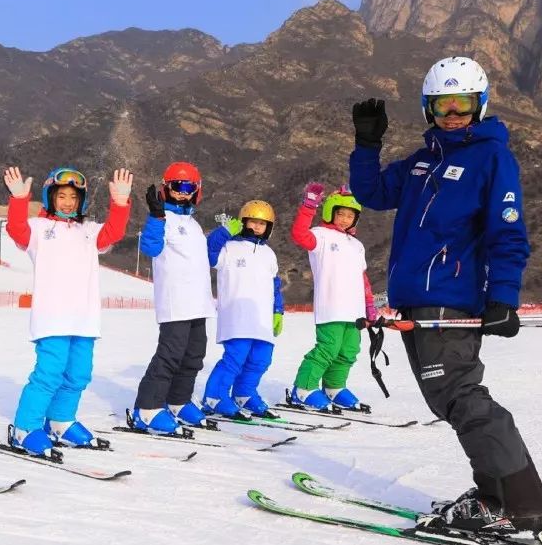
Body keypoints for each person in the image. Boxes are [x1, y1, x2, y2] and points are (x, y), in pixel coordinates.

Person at [348, 55, 542, 541]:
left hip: (450, 300)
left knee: (461, 397)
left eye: (463, 104)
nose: (453, 113)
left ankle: (514, 504)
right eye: (442, 104)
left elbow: (508, 231)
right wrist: (366, 144)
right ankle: (500, 497)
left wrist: (504, 295)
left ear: (480, 105)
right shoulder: (421, 161)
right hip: (416, 302)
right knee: (453, 400)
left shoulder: (490, 157)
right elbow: (371, 193)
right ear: (427, 108)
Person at [4, 166, 133, 455]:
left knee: (78, 374)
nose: (67, 202)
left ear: (82, 202)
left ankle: (61, 421)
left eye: (73, 198)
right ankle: (26, 428)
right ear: (50, 197)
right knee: (49, 374)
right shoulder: (38, 229)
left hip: (84, 319)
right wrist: (19, 199)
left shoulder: (88, 231)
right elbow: (16, 229)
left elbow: (114, 232)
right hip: (52, 319)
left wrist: (120, 203)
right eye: (61, 196)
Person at [130, 162, 214, 433]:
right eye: (177, 187)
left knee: (194, 356)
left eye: (188, 187)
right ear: (167, 189)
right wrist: (155, 216)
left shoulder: (194, 225)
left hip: (198, 302)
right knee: (170, 355)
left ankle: (178, 400)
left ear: (197, 191)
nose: (182, 193)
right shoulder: (162, 219)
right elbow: (151, 248)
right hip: (176, 301)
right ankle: (148, 408)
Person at [286, 185, 378, 412]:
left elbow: (362, 277)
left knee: (349, 350)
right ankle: (303, 389)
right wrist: (309, 207)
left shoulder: (357, 245)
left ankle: (334, 387)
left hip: (354, 309)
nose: (345, 219)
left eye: (350, 216)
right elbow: (300, 235)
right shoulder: (321, 235)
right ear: (330, 212)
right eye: (340, 214)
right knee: (328, 348)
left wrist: (369, 305)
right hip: (332, 305)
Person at [199, 200, 284, 419]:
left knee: (262, 358)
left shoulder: (269, 254)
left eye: (262, 224)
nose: (257, 227)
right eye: (253, 222)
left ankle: (244, 393)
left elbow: (275, 285)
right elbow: (209, 252)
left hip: (262, 318)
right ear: (243, 222)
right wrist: (225, 232)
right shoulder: (229, 247)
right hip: (237, 315)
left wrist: (278, 311)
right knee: (235, 358)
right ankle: (215, 397)